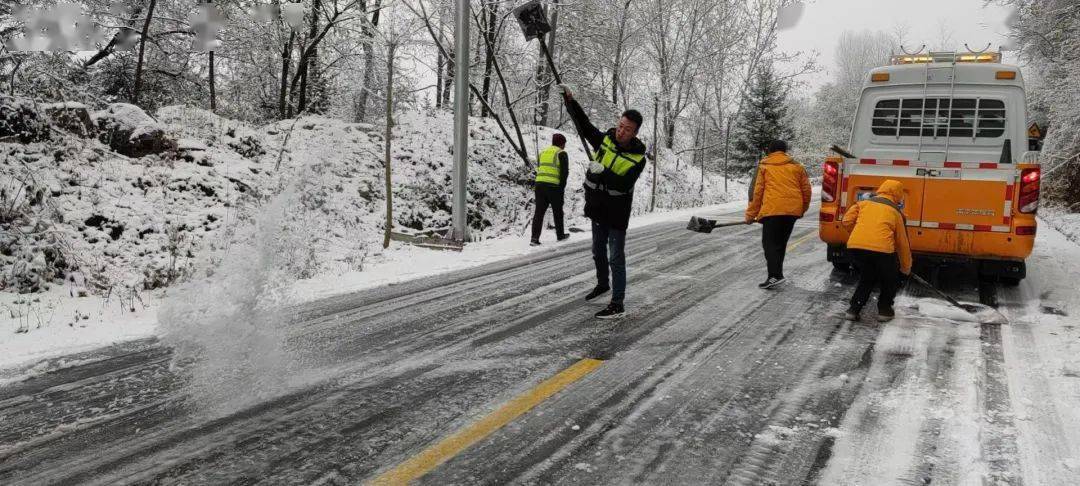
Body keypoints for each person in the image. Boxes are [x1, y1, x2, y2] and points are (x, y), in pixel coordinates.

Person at [560, 85, 647, 319]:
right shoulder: (606, 139)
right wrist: (571, 101)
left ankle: (617, 303)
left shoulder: (638, 158)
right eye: (620, 126)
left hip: (617, 213)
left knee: (616, 257)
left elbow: (624, 183)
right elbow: (585, 127)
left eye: (627, 130)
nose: (621, 132)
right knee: (597, 251)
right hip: (598, 207)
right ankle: (602, 284)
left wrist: (602, 172)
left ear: (635, 133)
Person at [841, 179, 913, 322]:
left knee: (867, 278)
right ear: (898, 195)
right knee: (889, 279)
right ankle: (884, 311)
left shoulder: (862, 204)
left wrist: (860, 236)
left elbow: (846, 221)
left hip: (857, 248)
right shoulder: (896, 213)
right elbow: (902, 244)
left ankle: (853, 309)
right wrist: (906, 268)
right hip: (883, 251)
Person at [744, 140, 812, 289]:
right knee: (780, 244)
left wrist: (750, 214)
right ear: (785, 151)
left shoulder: (765, 166)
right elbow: (807, 191)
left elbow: (757, 192)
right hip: (791, 212)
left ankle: (774, 276)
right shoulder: (797, 166)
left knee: (770, 244)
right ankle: (777, 275)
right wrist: (802, 209)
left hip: (773, 211)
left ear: (770, 150)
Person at [531, 133, 571, 245]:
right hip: (553, 186)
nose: (565, 146)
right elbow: (564, 173)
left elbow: (540, 167)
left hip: (539, 185)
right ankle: (560, 235)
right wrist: (561, 188)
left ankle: (534, 239)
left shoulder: (543, 153)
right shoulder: (561, 153)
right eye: (564, 143)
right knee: (557, 211)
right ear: (562, 143)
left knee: (538, 213)